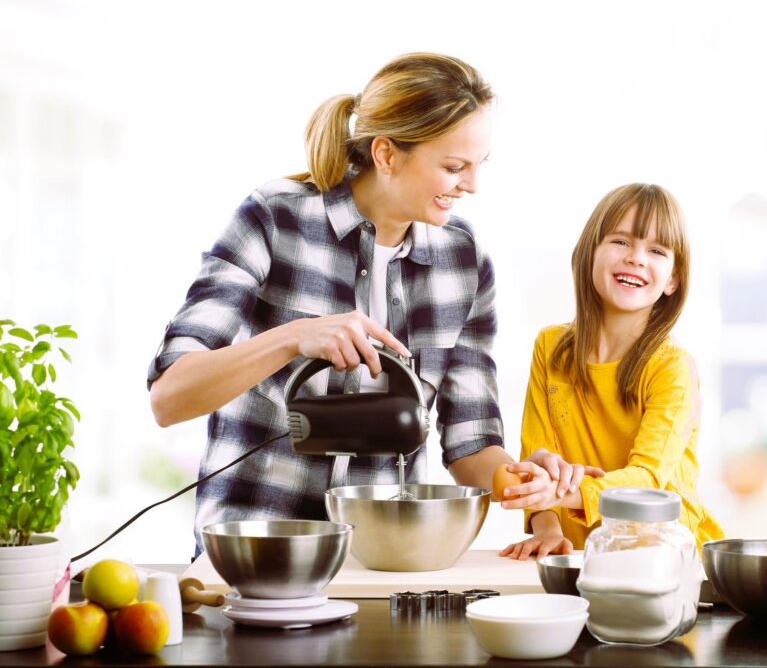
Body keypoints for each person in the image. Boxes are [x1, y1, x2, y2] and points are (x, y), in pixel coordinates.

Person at [148, 52, 576, 554]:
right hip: (257, 554)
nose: (472, 185)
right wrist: (293, 336)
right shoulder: (275, 218)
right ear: (387, 154)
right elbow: (169, 397)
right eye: (454, 166)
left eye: (479, 165)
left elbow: (470, 440)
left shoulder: (464, 261)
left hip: (383, 560)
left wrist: (518, 480)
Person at [498, 183, 725, 560]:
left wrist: (560, 492)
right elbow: (537, 459)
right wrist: (548, 530)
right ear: (591, 253)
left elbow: (648, 480)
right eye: (621, 241)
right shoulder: (550, 349)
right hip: (583, 561)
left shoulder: (673, 369)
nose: (636, 258)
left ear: (673, 280)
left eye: (656, 250)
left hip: (670, 563)